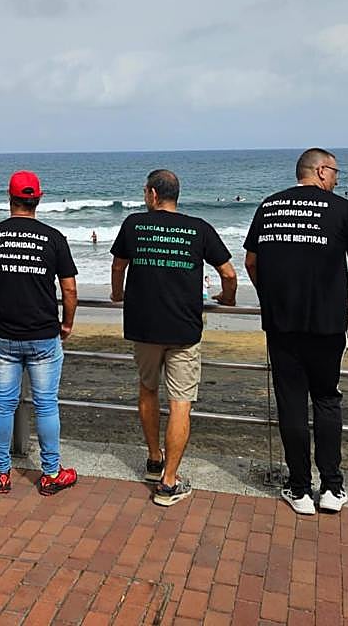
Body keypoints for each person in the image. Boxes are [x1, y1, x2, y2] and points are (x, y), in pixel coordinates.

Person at [243, 148, 348, 515]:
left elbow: (252, 261)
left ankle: (299, 489)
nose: (337, 179)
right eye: (335, 172)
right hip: (328, 323)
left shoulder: (268, 206)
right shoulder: (342, 208)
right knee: (328, 399)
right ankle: (332, 488)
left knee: (291, 402)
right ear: (319, 170)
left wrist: (269, 294)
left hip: (281, 323)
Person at [110, 169, 237, 506]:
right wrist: (228, 298)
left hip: (144, 326)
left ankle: (154, 458)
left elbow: (119, 265)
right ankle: (168, 482)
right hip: (183, 328)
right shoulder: (199, 228)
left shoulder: (134, 224)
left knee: (148, 389)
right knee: (181, 402)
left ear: (152, 194)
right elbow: (228, 272)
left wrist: (117, 294)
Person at [0, 171, 78, 496]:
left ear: (10, 198)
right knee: (46, 405)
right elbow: (69, 289)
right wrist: (68, 323)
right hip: (45, 334)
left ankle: (1, 473)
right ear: (39, 199)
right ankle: (51, 474)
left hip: (5, 334)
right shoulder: (53, 237)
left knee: (4, 404)